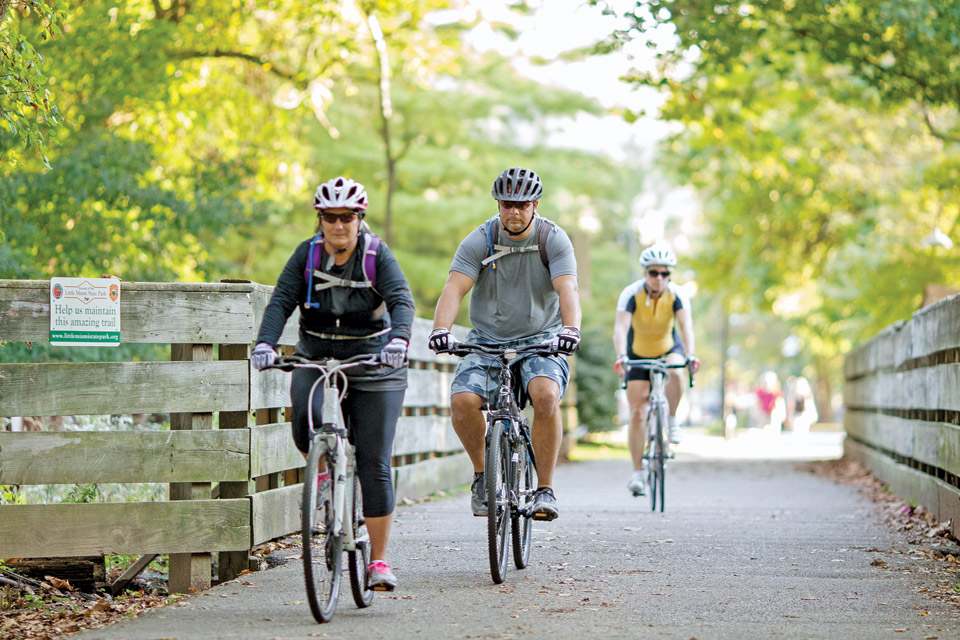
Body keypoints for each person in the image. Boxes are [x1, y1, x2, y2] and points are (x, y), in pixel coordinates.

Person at [250, 176, 415, 591]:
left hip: (373, 357)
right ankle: (325, 472)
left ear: (360, 219)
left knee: (375, 461)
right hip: (317, 352)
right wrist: (265, 344)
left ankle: (377, 561)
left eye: (347, 217)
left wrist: (398, 340)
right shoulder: (306, 255)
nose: (339, 225)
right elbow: (281, 301)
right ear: (320, 220)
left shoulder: (377, 254)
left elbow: (401, 300)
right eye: (330, 218)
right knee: (304, 426)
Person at [428, 167, 581, 522]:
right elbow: (454, 287)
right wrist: (440, 329)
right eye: (507, 204)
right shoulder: (480, 239)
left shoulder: (552, 239)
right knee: (463, 401)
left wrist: (570, 328)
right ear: (498, 204)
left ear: (535, 204)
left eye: (522, 204)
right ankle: (483, 477)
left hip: (541, 337)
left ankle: (544, 489)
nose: (514, 212)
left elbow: (567, 288)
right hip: (487, 339)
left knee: (544, 395)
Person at [613, 243, 699, 496]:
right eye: (654, 273)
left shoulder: (677, 295)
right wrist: (621, 357)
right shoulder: (630, 294)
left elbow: (686, 327)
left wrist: (691, 354)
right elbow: (620, 328)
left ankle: (671, 419)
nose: (660, 278)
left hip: (668, 348)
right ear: (645, 273)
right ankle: (638, 473)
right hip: (637, 351)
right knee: (638, 413)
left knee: (676, 371)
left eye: (665, 273)